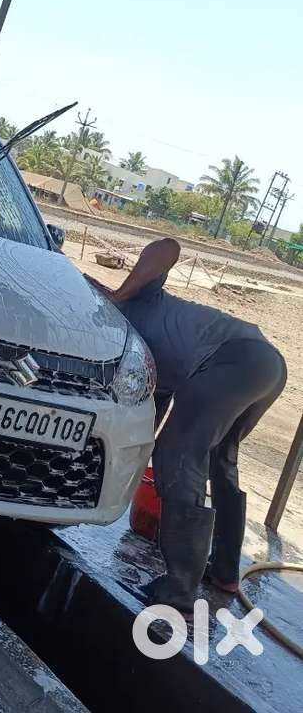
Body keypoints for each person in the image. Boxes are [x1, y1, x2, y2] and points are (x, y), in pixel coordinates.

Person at [89, 238, 286, 613]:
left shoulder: (137, 296)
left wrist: (118, 293)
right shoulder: (133, 351)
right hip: (264, 364)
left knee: (180, 458)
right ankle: (225, 569)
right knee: (218, 460)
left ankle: (180, 585)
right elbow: (152, 420)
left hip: (232, 360)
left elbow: (169, 246)